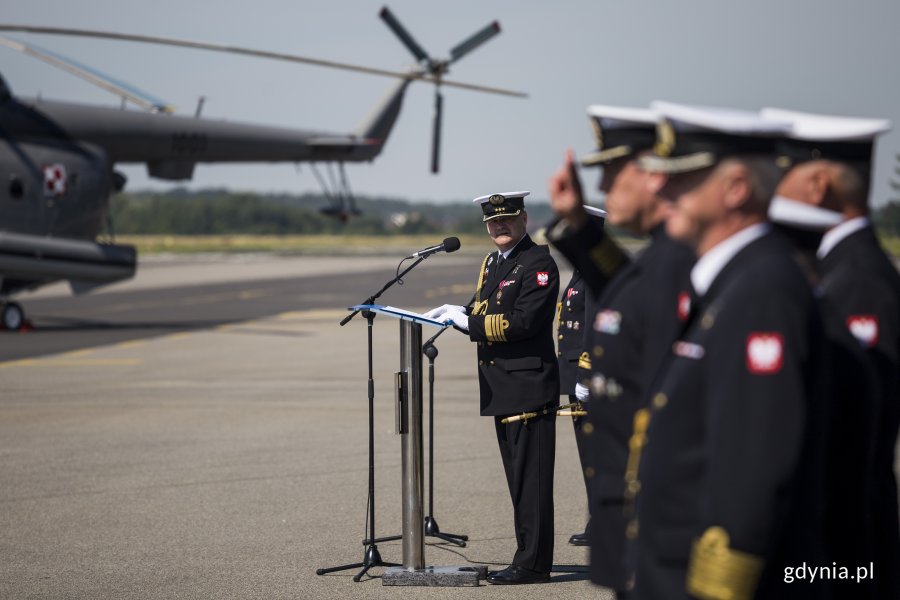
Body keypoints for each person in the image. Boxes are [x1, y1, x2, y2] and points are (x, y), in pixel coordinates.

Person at [631, 102, 829, 600]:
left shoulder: (762, 288)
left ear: (736, 189)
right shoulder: (731, 280)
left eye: (682, 178)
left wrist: (718, 588)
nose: (659, 188)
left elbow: (752, 464)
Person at [547, 104, 695, 597]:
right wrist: (579, 226)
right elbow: (630, 289)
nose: (605, 189)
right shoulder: (665, 257)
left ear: (653, 176)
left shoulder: (699, 262)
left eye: (612, 171)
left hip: (677, 530)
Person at [764, 107, 900, 599]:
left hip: (843, 547)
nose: (771, 189)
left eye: (783, 174)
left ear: (818, 185)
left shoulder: (860, 279)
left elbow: (858, 435)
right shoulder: (836, 266)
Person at [425, 191, 560, 585]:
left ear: (524, 220)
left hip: (528, 387)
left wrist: (469, 324)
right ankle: (527, 556)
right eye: (492, 222)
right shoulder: (495, 262)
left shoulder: (538, 263)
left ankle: (533, 564)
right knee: (518, 480)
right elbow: (483, 308)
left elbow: (522, 322)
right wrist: (459, 313)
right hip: (503, 386)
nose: (499, 226)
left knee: (531, 483)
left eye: (507, 219)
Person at [556, 204, 606, 549]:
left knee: (596, 453)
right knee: (589, 453)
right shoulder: (582, 270)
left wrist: (587, 372)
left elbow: (596, 325)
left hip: (588, 377)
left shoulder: (594, 272)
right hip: (576, 373)